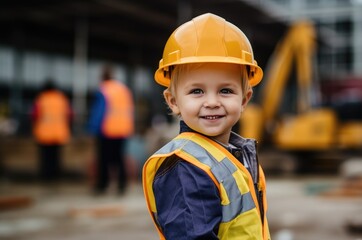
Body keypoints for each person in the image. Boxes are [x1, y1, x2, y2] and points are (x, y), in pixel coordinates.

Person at [142, 13, 271, 239]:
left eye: (226, 90)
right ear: (173, 101)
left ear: (244, 100)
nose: (212, 102)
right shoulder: (186, 169)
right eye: (197, 91)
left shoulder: (232, 154)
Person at [87, 65, 134, 195]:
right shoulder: (123, 89)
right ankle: (122, 185)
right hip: (123, 130)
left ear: (103, 77)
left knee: (104, 159)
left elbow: (99, 112)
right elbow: (129, 110)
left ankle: (102, 185)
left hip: (107, 131)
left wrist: (92, 129)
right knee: (119, 158)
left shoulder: (104, 90)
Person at [31, 80, 72, 183]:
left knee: (46, 157)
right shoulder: (61, 98)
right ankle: (56, 176)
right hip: (58, 133)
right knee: (56, 157)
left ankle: (46, 177)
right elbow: (70, 115)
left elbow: (35, 115)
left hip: (44, 134)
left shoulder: (41, 99)